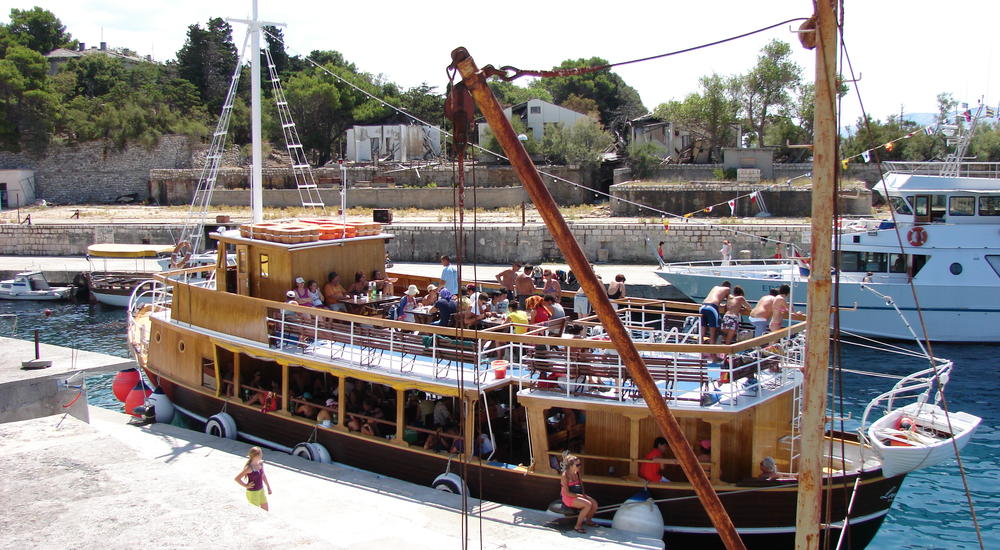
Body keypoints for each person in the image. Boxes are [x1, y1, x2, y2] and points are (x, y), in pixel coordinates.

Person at [560, 454, 599, 533]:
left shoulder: (577, 473)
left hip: (577, 494)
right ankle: (578, 526)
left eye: (580, 464)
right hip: (568, 497)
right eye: (577, 465)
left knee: (594, 504)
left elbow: (581, 486)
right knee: (587, 505)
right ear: (571, 466)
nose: (579, 466)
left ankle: (588, 521)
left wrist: (583, 495)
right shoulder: (565, 476)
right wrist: (579, 496)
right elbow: (567, 493)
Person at [235, 446, 272, 511]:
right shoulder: (249, 468)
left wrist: (268, 487)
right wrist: (245, 485)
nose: (262, 455)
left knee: (266, 510)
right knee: (255, 512)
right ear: (256, 455)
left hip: (261, 490)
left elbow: (263, 475)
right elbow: (237, 478)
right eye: (261, 454)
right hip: (253, 493)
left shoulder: (260, 463)